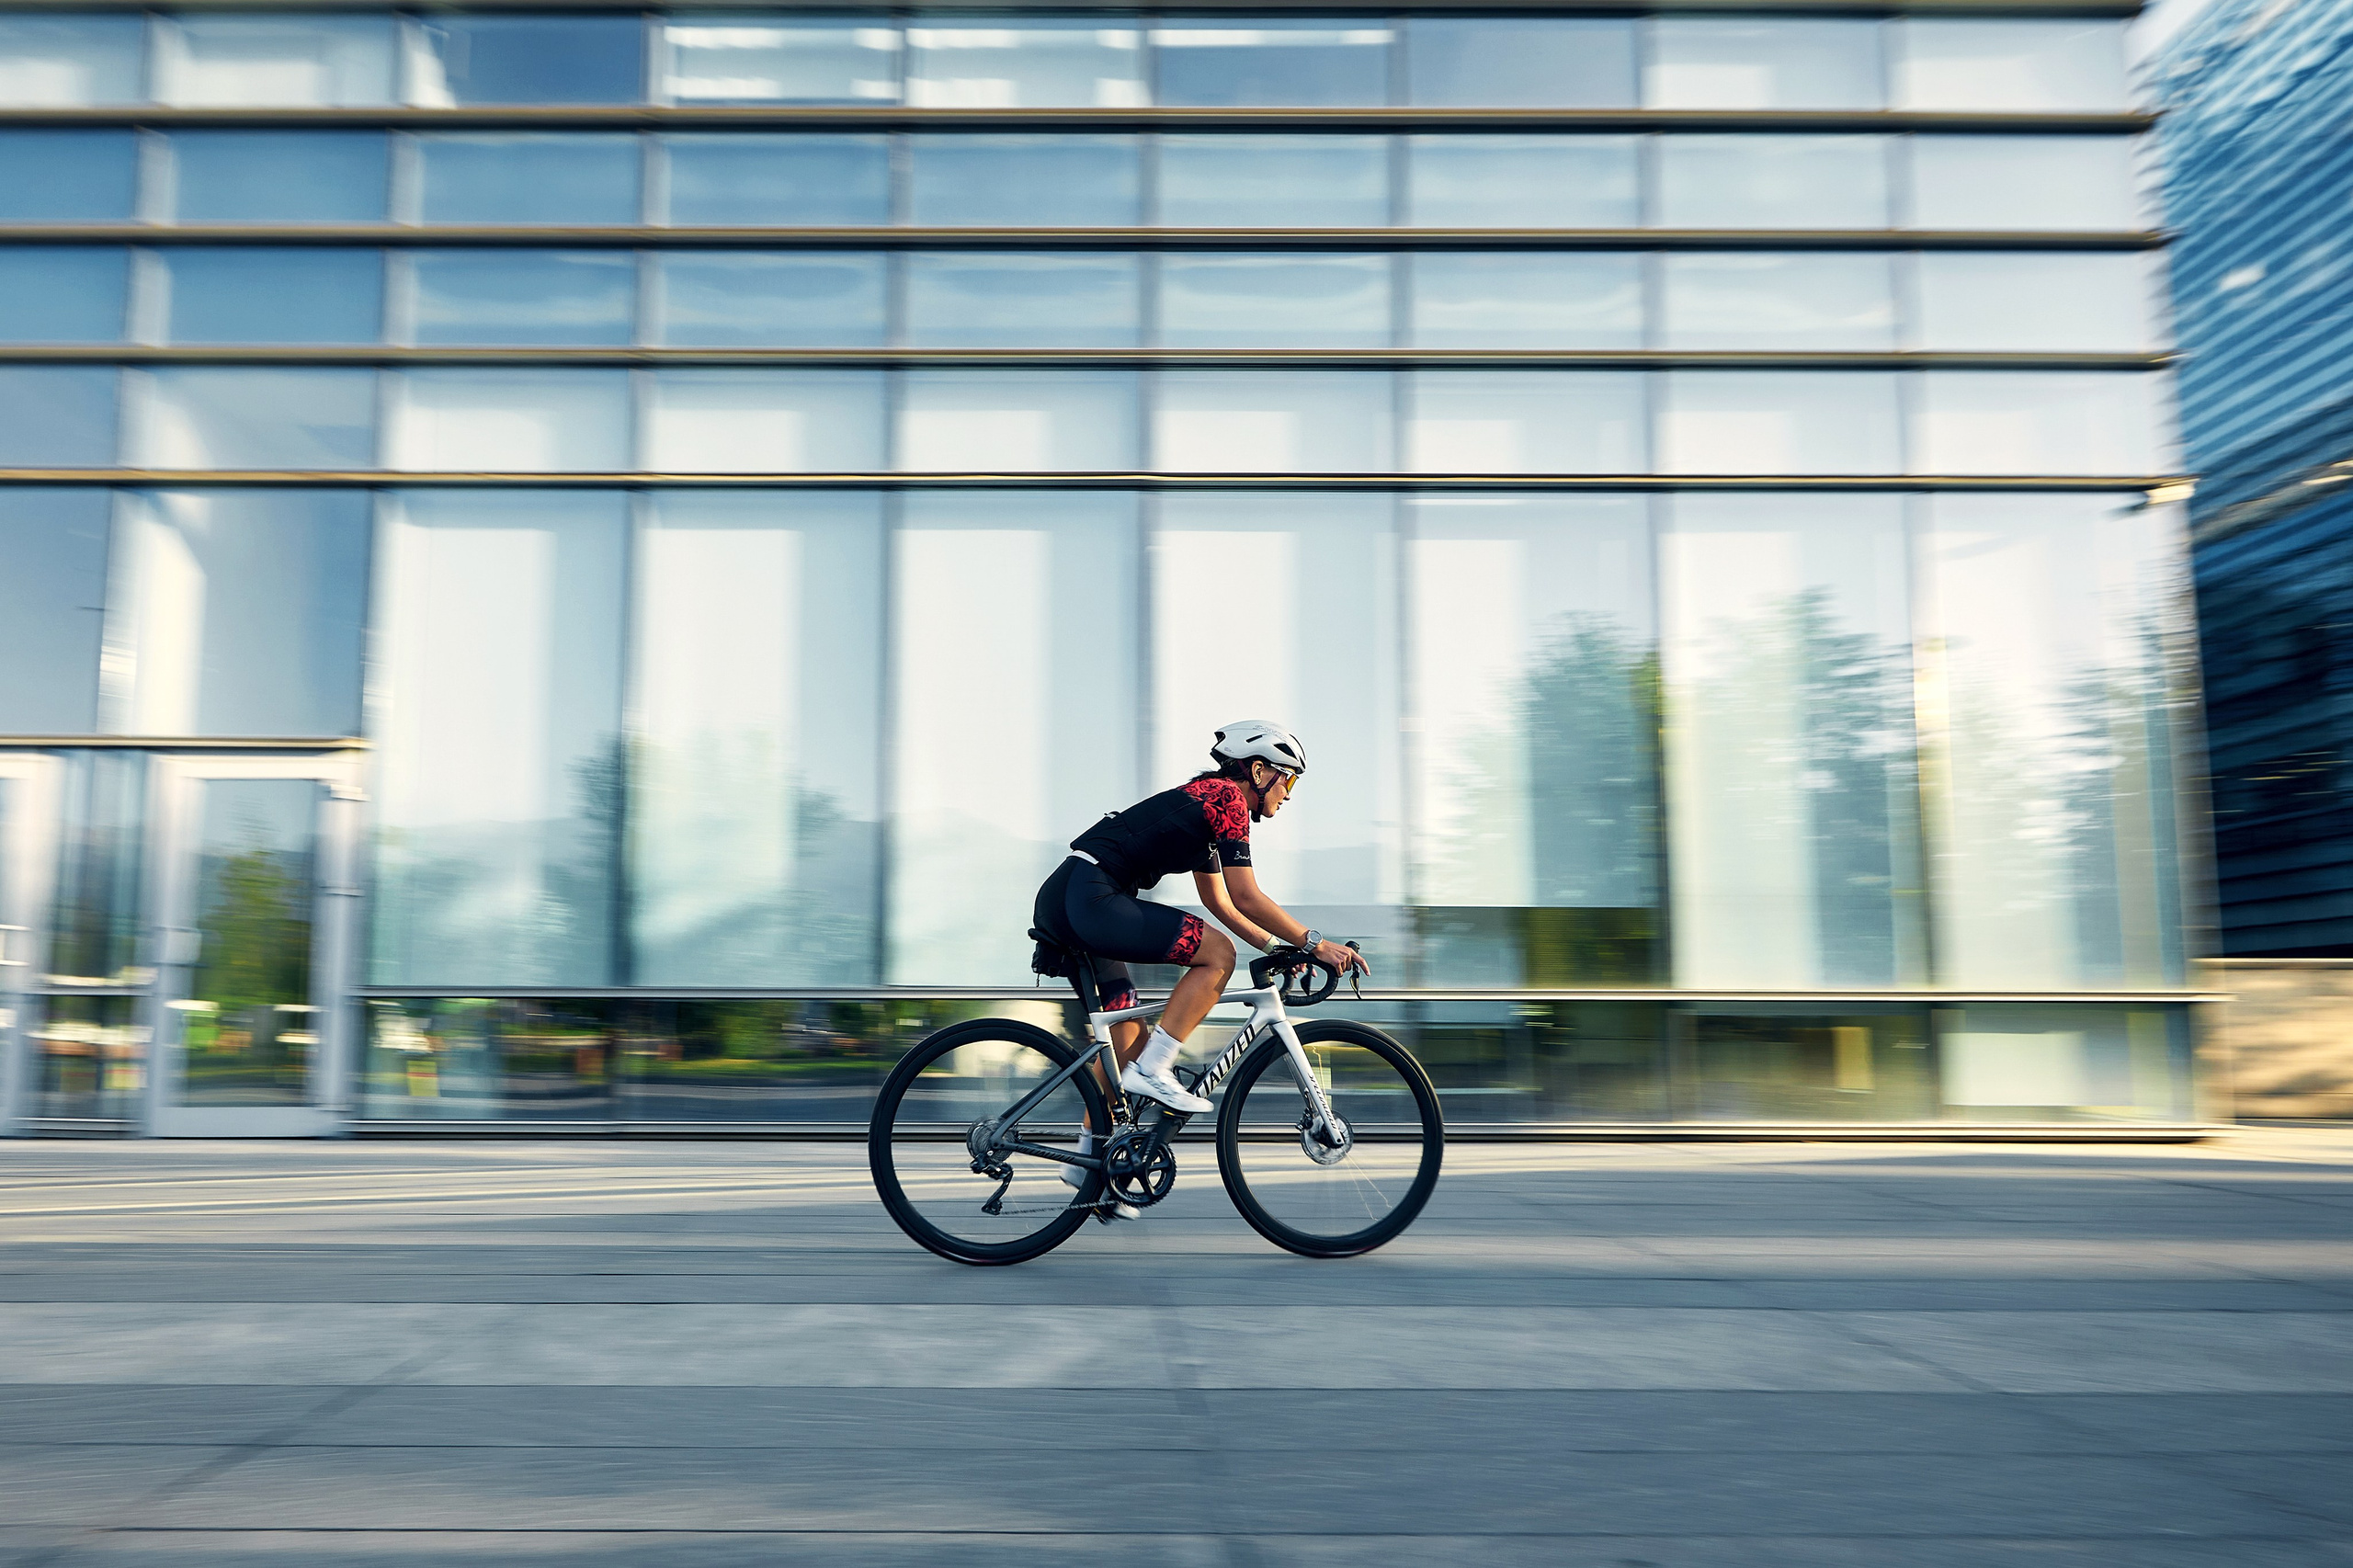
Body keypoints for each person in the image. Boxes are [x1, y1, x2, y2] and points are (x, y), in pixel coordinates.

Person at [1031, 721, 1370, 1200]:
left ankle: (1091, 1167)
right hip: (1092, 895)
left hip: (1070, 894)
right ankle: (1156, 1069)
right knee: (1218, 954)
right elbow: (1247, 895)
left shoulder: (1206, 803)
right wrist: (1315, 943)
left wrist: (1277, 949)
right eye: (1288, 779)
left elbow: (1220, 902)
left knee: (1126, 1041)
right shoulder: (1227, 799)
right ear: (1258, 771)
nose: (1289, 794)